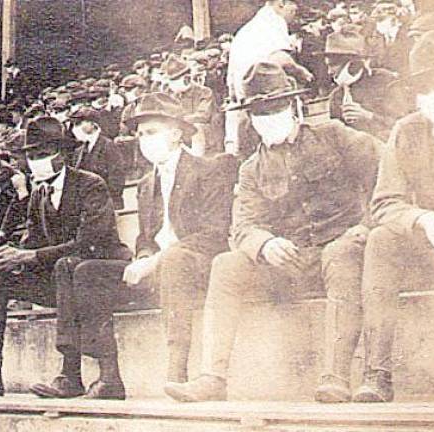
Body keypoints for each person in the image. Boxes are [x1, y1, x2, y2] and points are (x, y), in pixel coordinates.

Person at [163, 62, 380, 403]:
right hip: (291, 263)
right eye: (260, 112)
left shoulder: (335, 136)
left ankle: (336, 375)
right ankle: (213, 377)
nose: (269, 118)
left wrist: (364, 229)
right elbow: (242, 225)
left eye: (276, 108)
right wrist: (264, 244)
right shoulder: (251, 169)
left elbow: (383, 183)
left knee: (341, 253)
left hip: (345, 252)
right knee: (227, 263)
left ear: (294, 106)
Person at [0, 117, 127, 396]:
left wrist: (29, 257)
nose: (35, 162)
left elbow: (91, 242)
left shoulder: (91, 184)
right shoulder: (38, 193)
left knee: (69, 266)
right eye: (30, 156)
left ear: (63, 154)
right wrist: (12, 256)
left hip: (99, 275)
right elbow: (32, 240)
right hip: (61, 277)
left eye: (42, 154)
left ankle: (71, 375)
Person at [355, 30, 434, 403]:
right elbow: (385, 204)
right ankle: (376, 373)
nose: (428, 98)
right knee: (382, 239)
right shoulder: (408, 130)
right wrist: (425, 218)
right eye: (422, 89)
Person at [127, 93, 234, 388]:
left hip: (201, 262)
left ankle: (176, 368)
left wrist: (156, 261)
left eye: (151, 132)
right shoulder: (146, 183)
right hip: (161, 269)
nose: (143, 140)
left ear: (176, 133)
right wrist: (143, 257)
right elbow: (145, 237)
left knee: (174, 261)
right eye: (139, 135)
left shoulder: (210, 169)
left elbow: (212, 234)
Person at [225, 0, 313, 155]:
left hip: (245, 99)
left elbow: (231, 84)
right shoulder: (273, 22)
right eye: (293, 10)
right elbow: (280, 58)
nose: (294, 14)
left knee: (251, 152)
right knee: (285, 148)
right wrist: (301, 71)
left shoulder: (248, 29)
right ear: (280, 4)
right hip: (269, 98)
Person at [323, 25, 398, 141]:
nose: (329, 72)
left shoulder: (384, 81)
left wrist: (368, 116)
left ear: (353, 64)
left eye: (333, 65)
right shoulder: (337, 96)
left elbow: (403, 123)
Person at [68, 106, 127, 208]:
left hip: (108, 205)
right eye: (73, 125)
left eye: (79, 123)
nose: (75, 128)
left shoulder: (108, 146)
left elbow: (117, 179)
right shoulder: (78, 152)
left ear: (93, 124)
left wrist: (102, 200)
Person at [162, 55, 218, 156]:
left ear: (187, 78)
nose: (172, 85)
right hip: (180, 136)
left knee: (197, 127)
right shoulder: (172, 95)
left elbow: (203, 116)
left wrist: (178, 119)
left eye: (175, 80)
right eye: (171, 81)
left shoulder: (204, 92)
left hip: (204, 138)